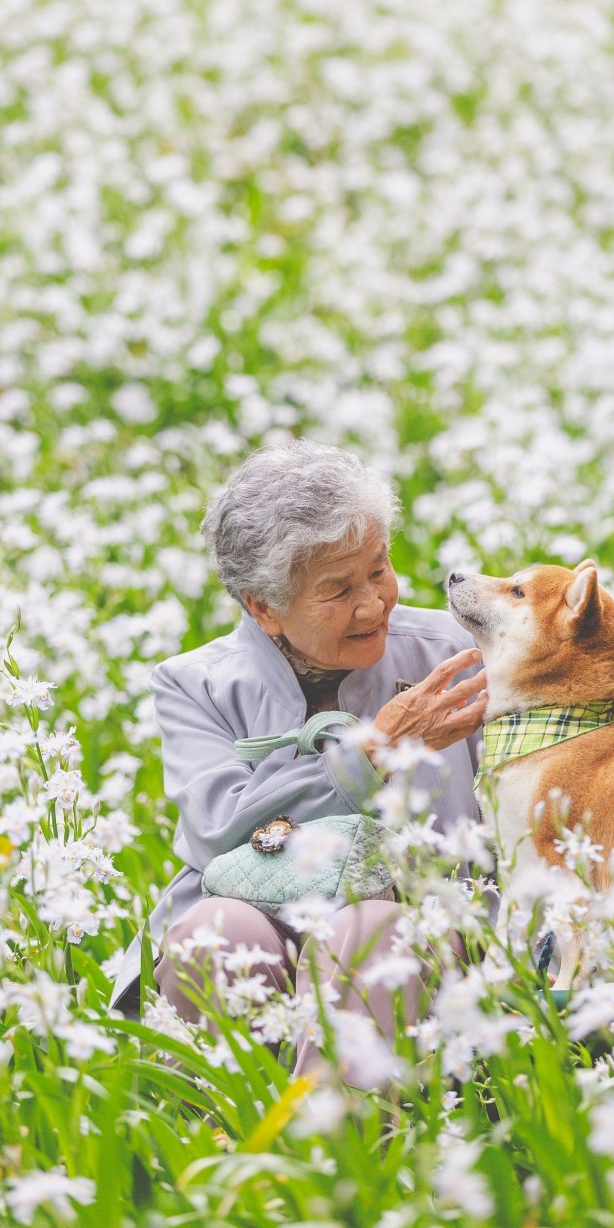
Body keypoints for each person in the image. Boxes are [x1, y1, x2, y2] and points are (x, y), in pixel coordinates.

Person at [108, 440, 487, 1086]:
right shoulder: (194, 684)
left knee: (374, 931)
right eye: (337, 590)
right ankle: (223, 1162)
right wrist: (367, 758)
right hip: (259, 917)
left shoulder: (450, 653)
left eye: (379, 568)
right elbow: (219, 832)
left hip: (420, 928)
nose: (374, 603)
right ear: (263, 607)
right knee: (219, 930)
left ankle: (334, 1161)